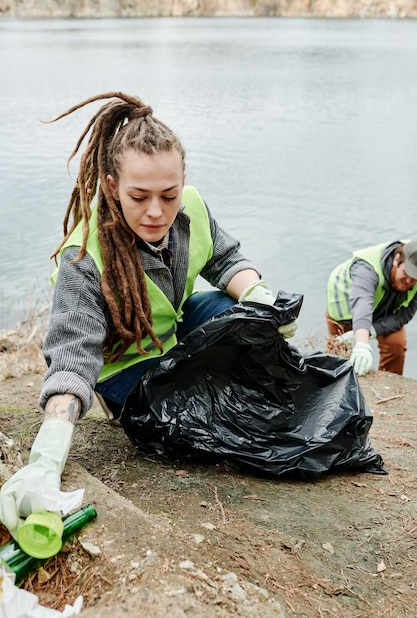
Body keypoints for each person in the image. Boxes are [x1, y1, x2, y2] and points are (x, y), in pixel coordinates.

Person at [0, 91, 297, 539]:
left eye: (168, 194)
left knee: (234, 314)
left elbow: (227, 259)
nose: (156, 212)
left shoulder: (191, 207)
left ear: (182, 183)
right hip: (125, 362)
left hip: (172, 329)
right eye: (138, 196)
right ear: (110, 185)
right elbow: (71, 360)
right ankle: (123, 405)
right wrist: (46, 459)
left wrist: (258, 294)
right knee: (175, 419)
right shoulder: (83, 259)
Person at [326, 240, 417, 377]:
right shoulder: (367, 269)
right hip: (347, 311)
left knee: (396, 344)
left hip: (383, 310)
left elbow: (405, 314)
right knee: (337, 353)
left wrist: (372, 331)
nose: (409, 281)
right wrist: (362, 344)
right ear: (396, 259)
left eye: (414, 278)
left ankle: (389, 385)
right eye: (405, 273)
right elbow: (362, 302)